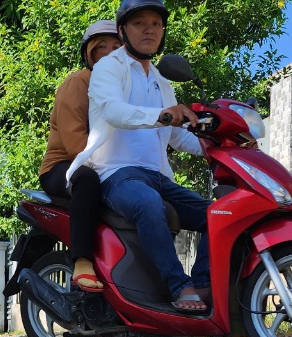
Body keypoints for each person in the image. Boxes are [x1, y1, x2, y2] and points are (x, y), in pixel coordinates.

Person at [66, 0, 210, 313]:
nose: (149, 29)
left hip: (158, 176)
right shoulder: (109, 68)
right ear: (123, 31)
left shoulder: (161, 82)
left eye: (156, 24)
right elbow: (114, 111)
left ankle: (202, 285)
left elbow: (177, 136)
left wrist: (219, 149)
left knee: (217, 214)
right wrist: (163, 115)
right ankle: (179, 286)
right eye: (139, 23)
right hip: (115, 174)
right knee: (147, 203)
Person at [39, 20, 123, 292]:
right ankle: (83, 261)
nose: (110, 53)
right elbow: (76, 145)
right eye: (102, 48)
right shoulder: (78, 83)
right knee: (86, 179)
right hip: (63, 166)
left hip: (108, 165)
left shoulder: (126, 89)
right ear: (89, 54)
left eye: (117, 47)